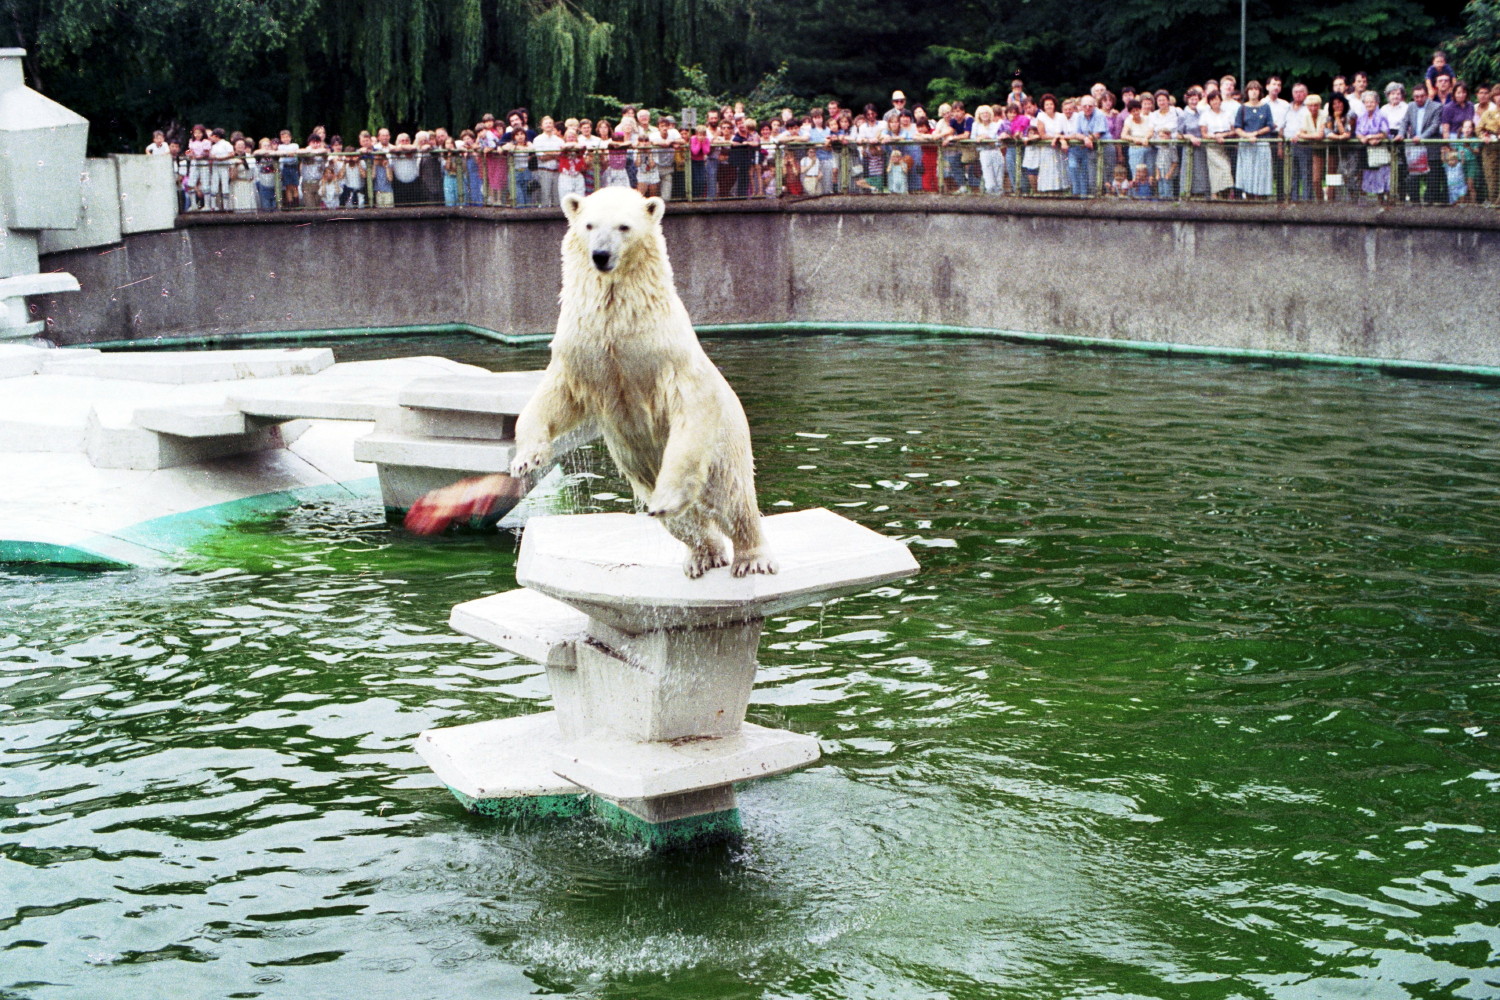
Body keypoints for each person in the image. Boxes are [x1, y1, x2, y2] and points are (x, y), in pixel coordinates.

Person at [1401, 84, 1446, 204]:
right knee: (1412, 176)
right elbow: (1405, 122)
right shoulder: (1410, 106)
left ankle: (1430, 202)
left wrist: (1421, 137)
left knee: (1433, 176)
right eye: (1416, 97)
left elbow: (1435, 125)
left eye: (1421, 96)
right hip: (1415, 147)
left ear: (1426, 95)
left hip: (1430, 145)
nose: (1419, 99)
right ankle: (1414, 201)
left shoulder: (1436, 106)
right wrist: (1401, 134)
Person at [1233, 80, 1275, 199]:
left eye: (1256, 89)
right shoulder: (1242, 108)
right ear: (1247, 92)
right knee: (1248, 173)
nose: (1254, 92)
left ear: (1260, 92)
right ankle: (1249, 199)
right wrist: (1247, 136)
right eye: (1251, 89)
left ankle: (1262, 199)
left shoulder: (1266, 107)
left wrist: (1256, 133)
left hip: (1262, 144)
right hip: (1246, 146)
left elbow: (1270, 125)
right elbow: (1237, 127)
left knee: (1262, 173)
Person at [1356, 91, 1392, 200]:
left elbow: (1385, 132)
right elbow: (1358, 131)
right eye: (1366, 102)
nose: (1369, 104)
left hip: (1380, 151)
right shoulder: (1361, 117)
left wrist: (1370, 137)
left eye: (1371, 102)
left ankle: (1389, 205)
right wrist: (1363, 138)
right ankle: (1379, 202)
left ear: (1376, 103)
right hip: (1368, 152)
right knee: (1372, 178)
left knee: (1384, 178)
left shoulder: (1381, 115)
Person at [1201, 90, 1237, 198]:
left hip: (1226, 145)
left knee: (1227, 169)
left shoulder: (1228, 113)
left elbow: (1234, 130)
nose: (1215, 102)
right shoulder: (1205, 115)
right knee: (1218, 170)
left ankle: (1226, 195)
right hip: (1212, 146)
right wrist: (1215, 137)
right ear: (1209, 102)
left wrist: (1224, 135)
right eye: (1212, 100)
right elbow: (1204, 133)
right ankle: (1215, 194)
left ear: (1220, 100)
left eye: (1217, 99)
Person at [1071, 95, 1109, 197]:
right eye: (1085, 106)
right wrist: (1085, 138)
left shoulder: (1099, 114)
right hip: (1091, 148)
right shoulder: (1079, 116)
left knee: (1107, 176)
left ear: (1094, 106)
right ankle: (1095, 199)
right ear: (1081, 106)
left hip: (1105, 148)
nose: (1087, 108)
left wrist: (1088, 138)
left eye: (1090, 106)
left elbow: (1098, 132)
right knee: (1092, 176)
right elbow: (1076, 133)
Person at [1033, 93, 1068, 194]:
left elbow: (1065, 132)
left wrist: (1059, 137)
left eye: (1051, 104)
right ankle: (1048, 194)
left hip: (1059, 149)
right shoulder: (1041, 116)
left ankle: (1061, 194)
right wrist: (1057, 137)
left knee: (1060, 171)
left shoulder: (1061, 116)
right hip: (1047, 149)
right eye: (1046, 104)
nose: (1049, 106)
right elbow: (1042, 135)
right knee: (1048, 171)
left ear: (1054, 105)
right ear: (1043, 106)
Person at [1177, 86, 1209, 197]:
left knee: (1202, 174)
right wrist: (1190, 137)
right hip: (1189, 150)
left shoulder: (1202, 113)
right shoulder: (1183, 115)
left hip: (1202, 149)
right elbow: (1178, 134)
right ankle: (1187, 196)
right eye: (1191, 99)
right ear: (1187, 100)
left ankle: (1202, 197)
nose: (1194, 101)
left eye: (1196, 99)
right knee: (1189, 173)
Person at [1147, 90, 1180, 197]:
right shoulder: (1153, 115)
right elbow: (1151, 130)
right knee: (1160, 182)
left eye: (1164, 100)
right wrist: (1145, 138)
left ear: (1168, 101)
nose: (1161, 102)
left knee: (1169, 183)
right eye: (1159, 100)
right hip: (1158, 147)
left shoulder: (1176, 112)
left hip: (1172, 146)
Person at [1326, 94, 1357, 201]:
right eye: (1334, 103)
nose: (1337, 105)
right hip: (1337, 150)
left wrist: (1338, 119)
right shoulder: (1330, 116)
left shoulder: (1350, 114)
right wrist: (1338, 137)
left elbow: (1346, 133)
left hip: (1352, 150)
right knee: (1338, 175)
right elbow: (1328, 132)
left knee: (1351, 175)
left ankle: (1353, 200)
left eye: (1339, 102)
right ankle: (1338, 201)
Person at [972, 104, 1005, 194]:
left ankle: (999, 194)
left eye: (987, 113)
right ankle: (990, 195)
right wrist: (983, 138)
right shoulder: (976, 125)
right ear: (979, 115)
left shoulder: (996, 125)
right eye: (982, 113)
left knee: (998, 175)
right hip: (984, 152)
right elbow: (973, 138)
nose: (985, 115)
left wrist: (985, 137)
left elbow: (997, 140)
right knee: (988, 176)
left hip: (996, 151)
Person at [275, 129, 300, 208]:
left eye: (287, 137)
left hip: (293, 167)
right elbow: (282, 155)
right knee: (288, 187)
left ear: (290, 137)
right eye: (283, 137)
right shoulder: (280, 146)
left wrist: (289, 154)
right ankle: (290, 205)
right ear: (281, 139)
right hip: (285, 168)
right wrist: (288, 154)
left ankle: (296, 205)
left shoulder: (295, 145)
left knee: (295, 186)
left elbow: (295, 154)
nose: (286, 139)